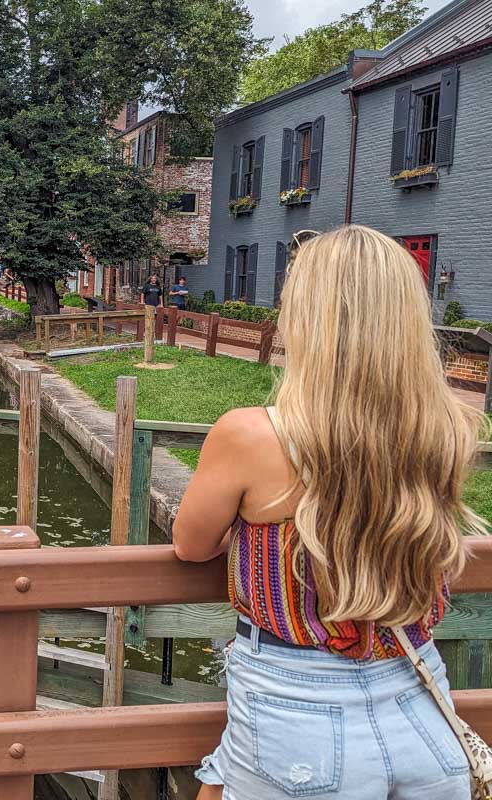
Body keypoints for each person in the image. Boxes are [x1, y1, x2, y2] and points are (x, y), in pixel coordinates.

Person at [173, 225, 484, 800]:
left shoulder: (250, 436)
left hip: (295, 711)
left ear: (306, 318)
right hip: (422, 698)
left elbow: (190, 545)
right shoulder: (444, 429)